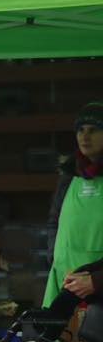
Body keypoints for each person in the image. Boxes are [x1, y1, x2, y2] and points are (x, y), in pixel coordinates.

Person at [44, 101, 103, 311]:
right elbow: (54, 221)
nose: (85, 136)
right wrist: (54, 256)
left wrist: (96, 280)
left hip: (97, 291)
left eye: (94, 130)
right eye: (80, 130)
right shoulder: (69, 175)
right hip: (64, 283)